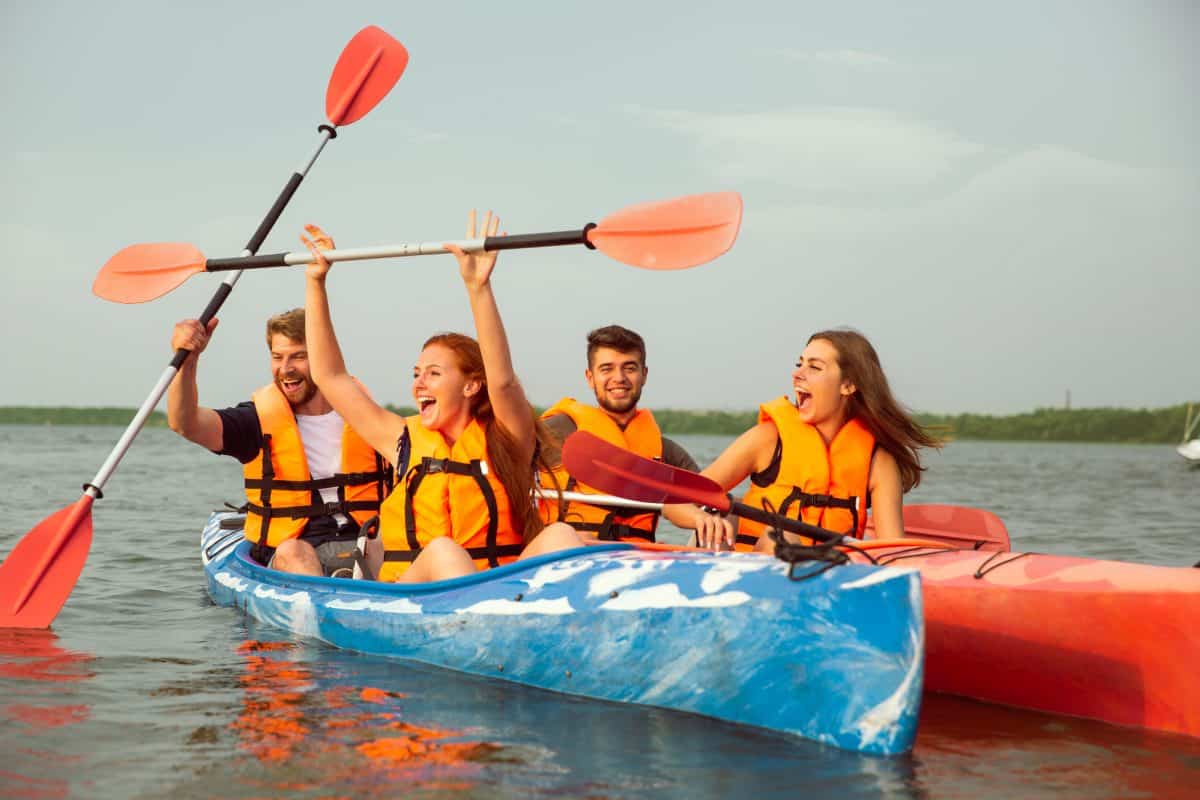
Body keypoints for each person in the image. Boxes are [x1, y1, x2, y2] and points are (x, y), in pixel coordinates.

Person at [301, 212, 584, 583]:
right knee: (444, 551)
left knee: (561, 535)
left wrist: (478, 288)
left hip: (501, 592)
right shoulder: (402, 441)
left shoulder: (507, 439)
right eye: (416, 374)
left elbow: (502, 383)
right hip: (415, 595)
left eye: (434, 373)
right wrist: (315, 282)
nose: (420, 383)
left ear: (471, 385)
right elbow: (329, 376)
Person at [664, 329, 941, 551]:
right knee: (780, 537)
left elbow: (892, 552)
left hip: (825, 583)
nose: (798, 373)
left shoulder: (878, 462)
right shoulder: (768, 440)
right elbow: (674, 503)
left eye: (815, 367)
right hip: (748, 577)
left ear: (848, 384)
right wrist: (699, 517)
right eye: (799, 364)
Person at [167, 309, 391, 576]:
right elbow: (185, 422)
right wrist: (188, 361)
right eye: (277, 357)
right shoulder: (256, 420)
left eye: (299, 356)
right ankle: (322, 607)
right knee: (293, 552)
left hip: (366, 544)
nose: (285, 369)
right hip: (294, 553)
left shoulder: (366, 416)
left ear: (324, 356)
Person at [537, 325, 700, 542]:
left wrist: (707, 517)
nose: (619, 378)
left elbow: (708, 497)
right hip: (570, 556)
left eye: (629, 368)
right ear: (590, 377)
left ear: (644, 375)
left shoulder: (665, 452)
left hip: (636, 560)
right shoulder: (556, 431)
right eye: (606, 369)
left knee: (723, 518)